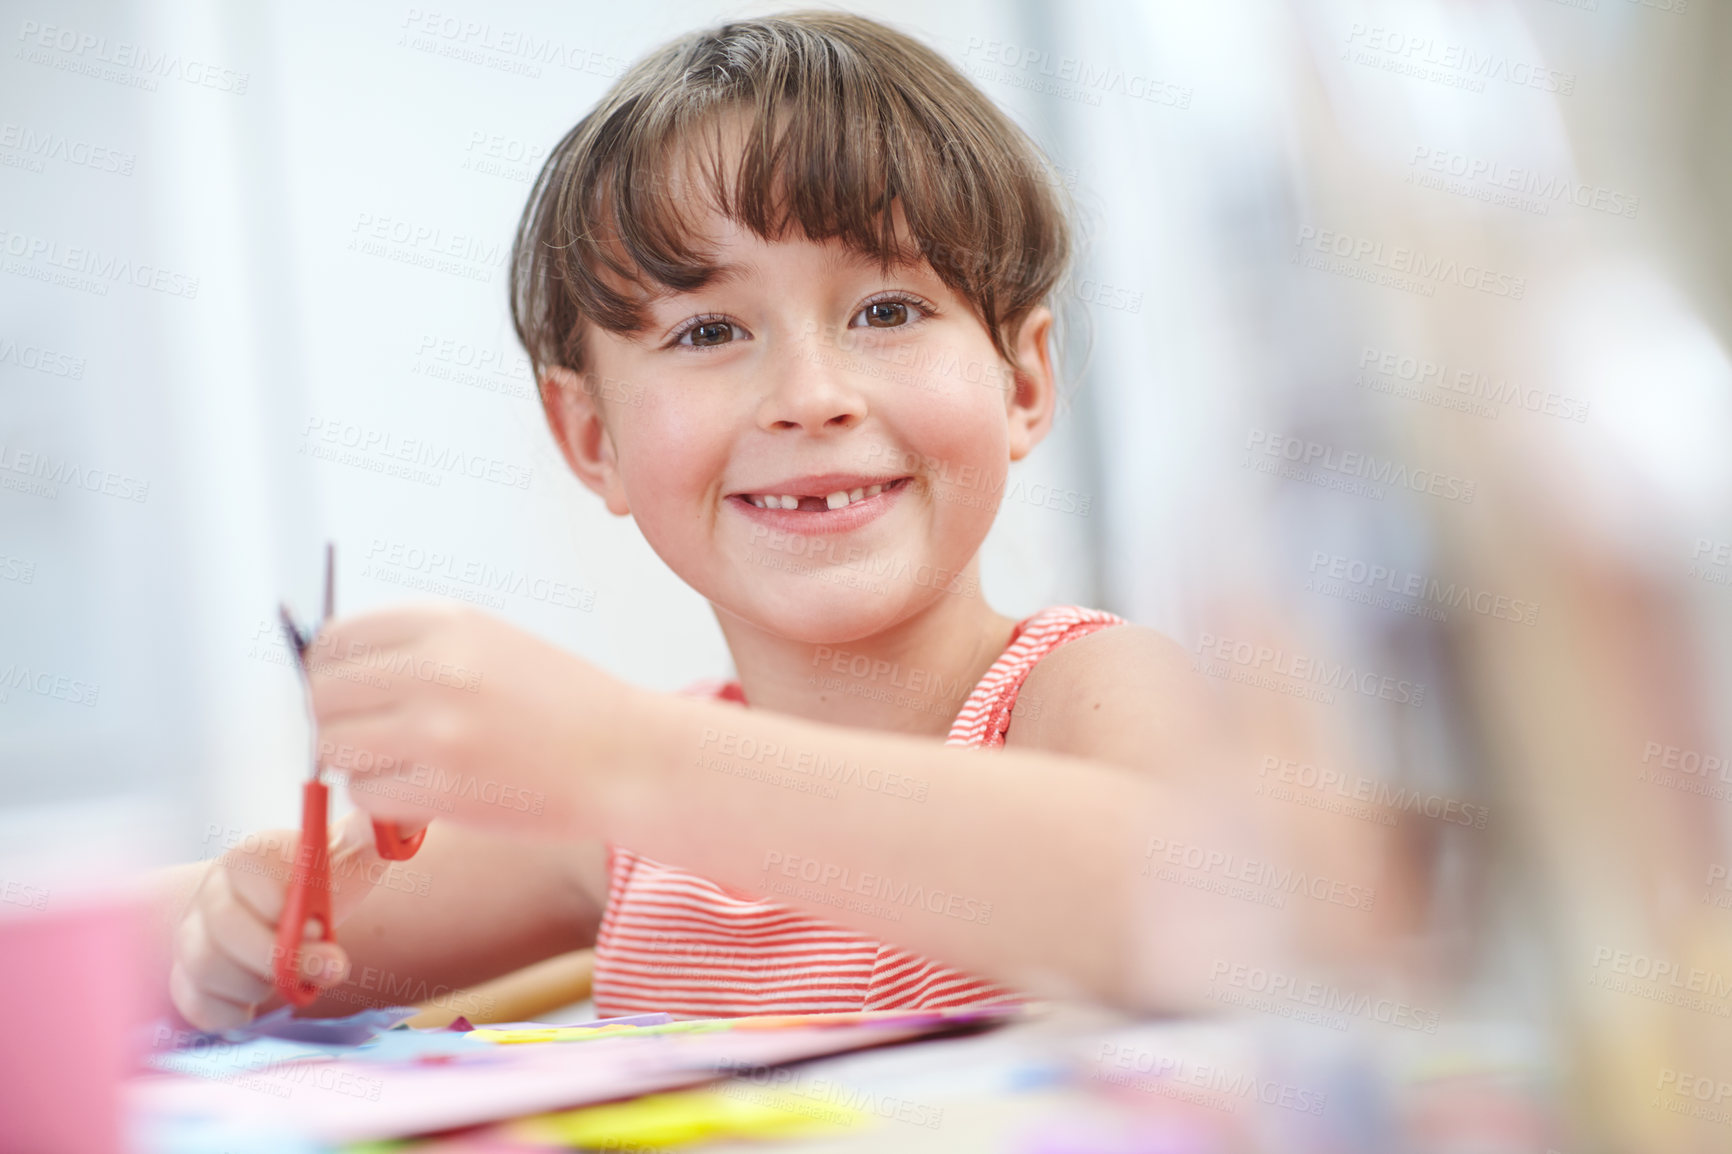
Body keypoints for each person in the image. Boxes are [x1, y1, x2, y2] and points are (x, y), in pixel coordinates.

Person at [159, 11, 1401, 1031]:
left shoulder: (1076, 693)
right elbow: (283, 928)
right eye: (709, 331)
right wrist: (251, 914)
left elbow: (1215, 902)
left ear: (1022, 382)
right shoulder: (625, 826)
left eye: (886, 311)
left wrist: (620, 755)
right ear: (590, 436)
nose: (810, 396)